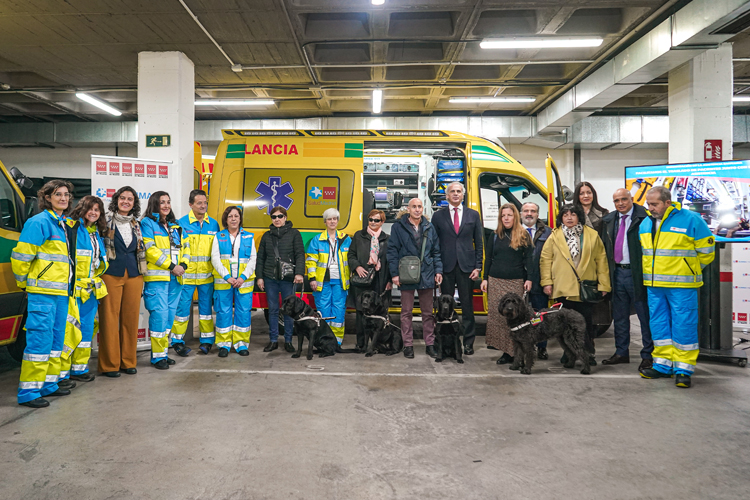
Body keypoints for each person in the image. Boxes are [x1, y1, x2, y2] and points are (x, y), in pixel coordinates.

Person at [638, 186, 714, 388]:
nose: (650, 208)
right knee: (659, 324)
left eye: (654, 204)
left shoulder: (691, 219)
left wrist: (689, 268)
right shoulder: (646, 223)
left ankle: (683, 369)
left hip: (682, 284)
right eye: (648, 204)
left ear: (667, 202)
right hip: (654, 285)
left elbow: (707, 251)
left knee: (684, 324)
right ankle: (662, 365)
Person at [12, 180, 76, 408]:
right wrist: (24, 284)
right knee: (39, 340)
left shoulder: (61, 223)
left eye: (66, 194)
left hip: (60, 293)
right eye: (58, 194)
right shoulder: (38, 222)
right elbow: (21, 257)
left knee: (57, 340)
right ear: (47, 197)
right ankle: (29, 392)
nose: (63, 198)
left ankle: (49, 383)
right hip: (42, 293)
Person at [540, 204, 611, 364]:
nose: (569, 218)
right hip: (563, 288)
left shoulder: (592, 235)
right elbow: (545, 260)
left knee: (585, 324)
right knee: (564, 325)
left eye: (573, 214)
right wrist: (547, 282)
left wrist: (604, 285)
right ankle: (569, 354)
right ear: (561, 218)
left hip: (585, 288)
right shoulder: (554, 236)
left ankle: (588, 354)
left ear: (579, 216)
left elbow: (601, 261)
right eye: (565, 215)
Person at [600, 189, 653, 369]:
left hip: (637, 274)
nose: (620, 203)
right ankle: (621, 352)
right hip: (616, 273)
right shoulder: (609, 220)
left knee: (644, 316)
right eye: (616, 200)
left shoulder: (645, 218)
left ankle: (648, 355)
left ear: (632, 199)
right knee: (619, 317)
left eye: (624, 199)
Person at [58, 196, 108, 387]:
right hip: (74, 291)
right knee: (69, 331)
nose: (93, 213)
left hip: (91, 292)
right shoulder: (72, 228)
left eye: (97, 210)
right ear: (81, 209)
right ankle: (61, 374)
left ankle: (79, 369)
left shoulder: (95, 233)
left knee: (86, 331)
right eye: (90, 209)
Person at [98, 186, 146, 378]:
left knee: (131, 319)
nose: (126, 202)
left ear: (134, 204)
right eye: (123, 198)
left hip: (134, 274)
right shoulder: (104, 221)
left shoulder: (137, 224)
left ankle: (128, 361)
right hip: (111, 273)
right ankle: (110, 364)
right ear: (116, 200)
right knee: (109, 319)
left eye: (130, 199)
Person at [387, 198, 442, 359]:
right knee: (406, 312)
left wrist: (438, 271)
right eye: (414, 207)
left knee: (428, 313)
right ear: (408, 209)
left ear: (422, 208)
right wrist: (394, 274)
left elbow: (436, 252)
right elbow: (392, 251)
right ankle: (408, 345)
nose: (417, 209)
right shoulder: (398, 227)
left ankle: (430, 344)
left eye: (419, 207)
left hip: (427, 273)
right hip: (406, 273)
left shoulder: (429, 227)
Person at [431, 182, 483, 355]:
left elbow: (479, 243)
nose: (455, 194)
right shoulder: (438, 216)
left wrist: (478, 267)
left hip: (467, 267)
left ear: (463, 195)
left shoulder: (473, 215)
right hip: (445, 267)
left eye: (458, 191)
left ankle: (468, 343)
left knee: (467, 307)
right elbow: (434, 244)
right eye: (452, 191)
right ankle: (445, 342)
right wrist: (437, 269)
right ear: (447, 196)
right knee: (444, 308)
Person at [141, 191, 191, 369]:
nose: (166, 205)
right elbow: (150, 250)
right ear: (154, 204)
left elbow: (186, 247)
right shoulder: (147, 223)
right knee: (160, 317)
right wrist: (172, 266)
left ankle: (163, 353)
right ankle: (157, 357)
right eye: (162, 202)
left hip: (176, 279)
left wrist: (183, 265)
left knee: (169, 318)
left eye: (168, 202)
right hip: (158, 279)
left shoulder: (175, 225)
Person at [481, 204, 533, 364]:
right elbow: (488, 258)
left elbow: (529, 259)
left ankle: (516, 352)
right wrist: (485, 278)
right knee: (498, 317)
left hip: (516, 282)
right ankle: (506, 352)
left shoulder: (524, 235)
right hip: (495, 281)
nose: (506, 218)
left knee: (515, 317)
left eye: (509, 215)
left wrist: (529, 279)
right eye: (503, 215)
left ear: (515, 216)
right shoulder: (495, 235)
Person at [172, 189, 219, 355]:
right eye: (199, 203)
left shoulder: (214, 224)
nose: (203, 206)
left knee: (206, 312)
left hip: (207, 277)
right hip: (186, 277)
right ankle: (177, 341)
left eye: (205, 203)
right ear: (190, 204)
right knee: (182, 311)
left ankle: (207, 341)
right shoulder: (181, 223)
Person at [256, 206, 305, 352]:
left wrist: (299, 273)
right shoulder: (266, 236)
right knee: (273, 310)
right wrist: (260, 277)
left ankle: (288, 341)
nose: (277, 219)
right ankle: (273, 341)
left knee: (289, 310)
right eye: (274, 217)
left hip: (288, 279)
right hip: (270, 278)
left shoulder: (294, 234)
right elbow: (260, 258)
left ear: (285, 217)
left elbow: (300, 254)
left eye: (280, 216)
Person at [211, 206, 256, 357]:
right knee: (223, 312)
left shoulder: (249, 237)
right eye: (230, 216)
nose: (233, 219)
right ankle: (223, 344)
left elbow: (253, 259)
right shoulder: (218, 236)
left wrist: (242, 277)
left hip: (244, 283)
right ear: (226, 219)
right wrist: (227, 277)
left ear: (240, 219)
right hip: (224, 282)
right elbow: (215, 259)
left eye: (236, 216)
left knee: (243, 313)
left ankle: (241, 344)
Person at [305, 208, 352, 345]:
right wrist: (312, 278)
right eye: (329, 219)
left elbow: (352, 259)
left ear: (337, 221)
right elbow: (311, 261)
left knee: (339, 310)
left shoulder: (346, 239)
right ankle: (325, 339)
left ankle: (337, 341)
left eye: (334, 219)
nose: (332, 221)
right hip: (322, 282)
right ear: (325, 222)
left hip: (340, 281)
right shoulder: (317, 240)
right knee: (323, 310)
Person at [348, 209, 392, 351]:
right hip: (362, 278)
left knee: (378, 312)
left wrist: (390, 280)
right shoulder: (359, 236)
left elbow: (391, 261)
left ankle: (376, 344)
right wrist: (357, 267)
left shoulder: (387, 239)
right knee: (361, 312)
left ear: (382, 222)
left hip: (380, 279)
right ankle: (361, 344)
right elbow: (351, 255)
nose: (373, 222)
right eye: (371, 219)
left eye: (376, 220)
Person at [521, 202, 553, 359]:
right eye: (526, 211)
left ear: (538, 214)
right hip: (519, 279)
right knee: (519, 315)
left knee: (540, 315)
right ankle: (521, 348)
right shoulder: (513, 231)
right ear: (521, 214)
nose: (529, 214)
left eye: (532, 211)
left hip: (540, 281)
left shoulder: (548, 232)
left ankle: (541, 347)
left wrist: (549, 281)